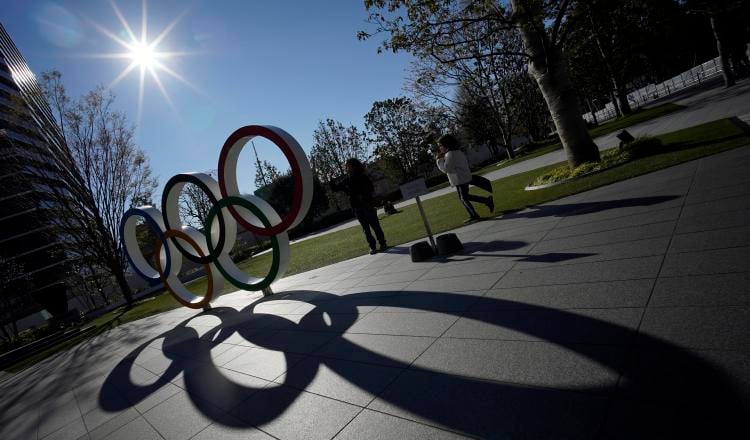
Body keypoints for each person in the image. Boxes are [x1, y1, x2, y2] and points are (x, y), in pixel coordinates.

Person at [331, 158, 388, 254]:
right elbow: (335, 188)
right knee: (366, 229)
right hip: (357, 208)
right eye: (346, 166)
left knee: (375, 226)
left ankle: (383, 243)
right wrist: (331, 179)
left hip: (367, 205)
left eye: (348, 165)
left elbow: (370, 188)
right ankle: (372, 247)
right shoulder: (347, 179)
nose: (346, 167)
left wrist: (363, 196)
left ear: (353, 166)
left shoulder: (363, 177)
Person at [435, 134, 494, 223]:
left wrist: (439, 160)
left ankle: (482, 206)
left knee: (464, 198)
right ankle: (478, 210)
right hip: (462, 178)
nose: (439, 148)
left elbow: (446, 169)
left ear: (446, 144)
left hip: (461, 179)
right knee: (463, 198)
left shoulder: (450, 154)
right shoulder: (456, 152)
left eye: (440, 145)